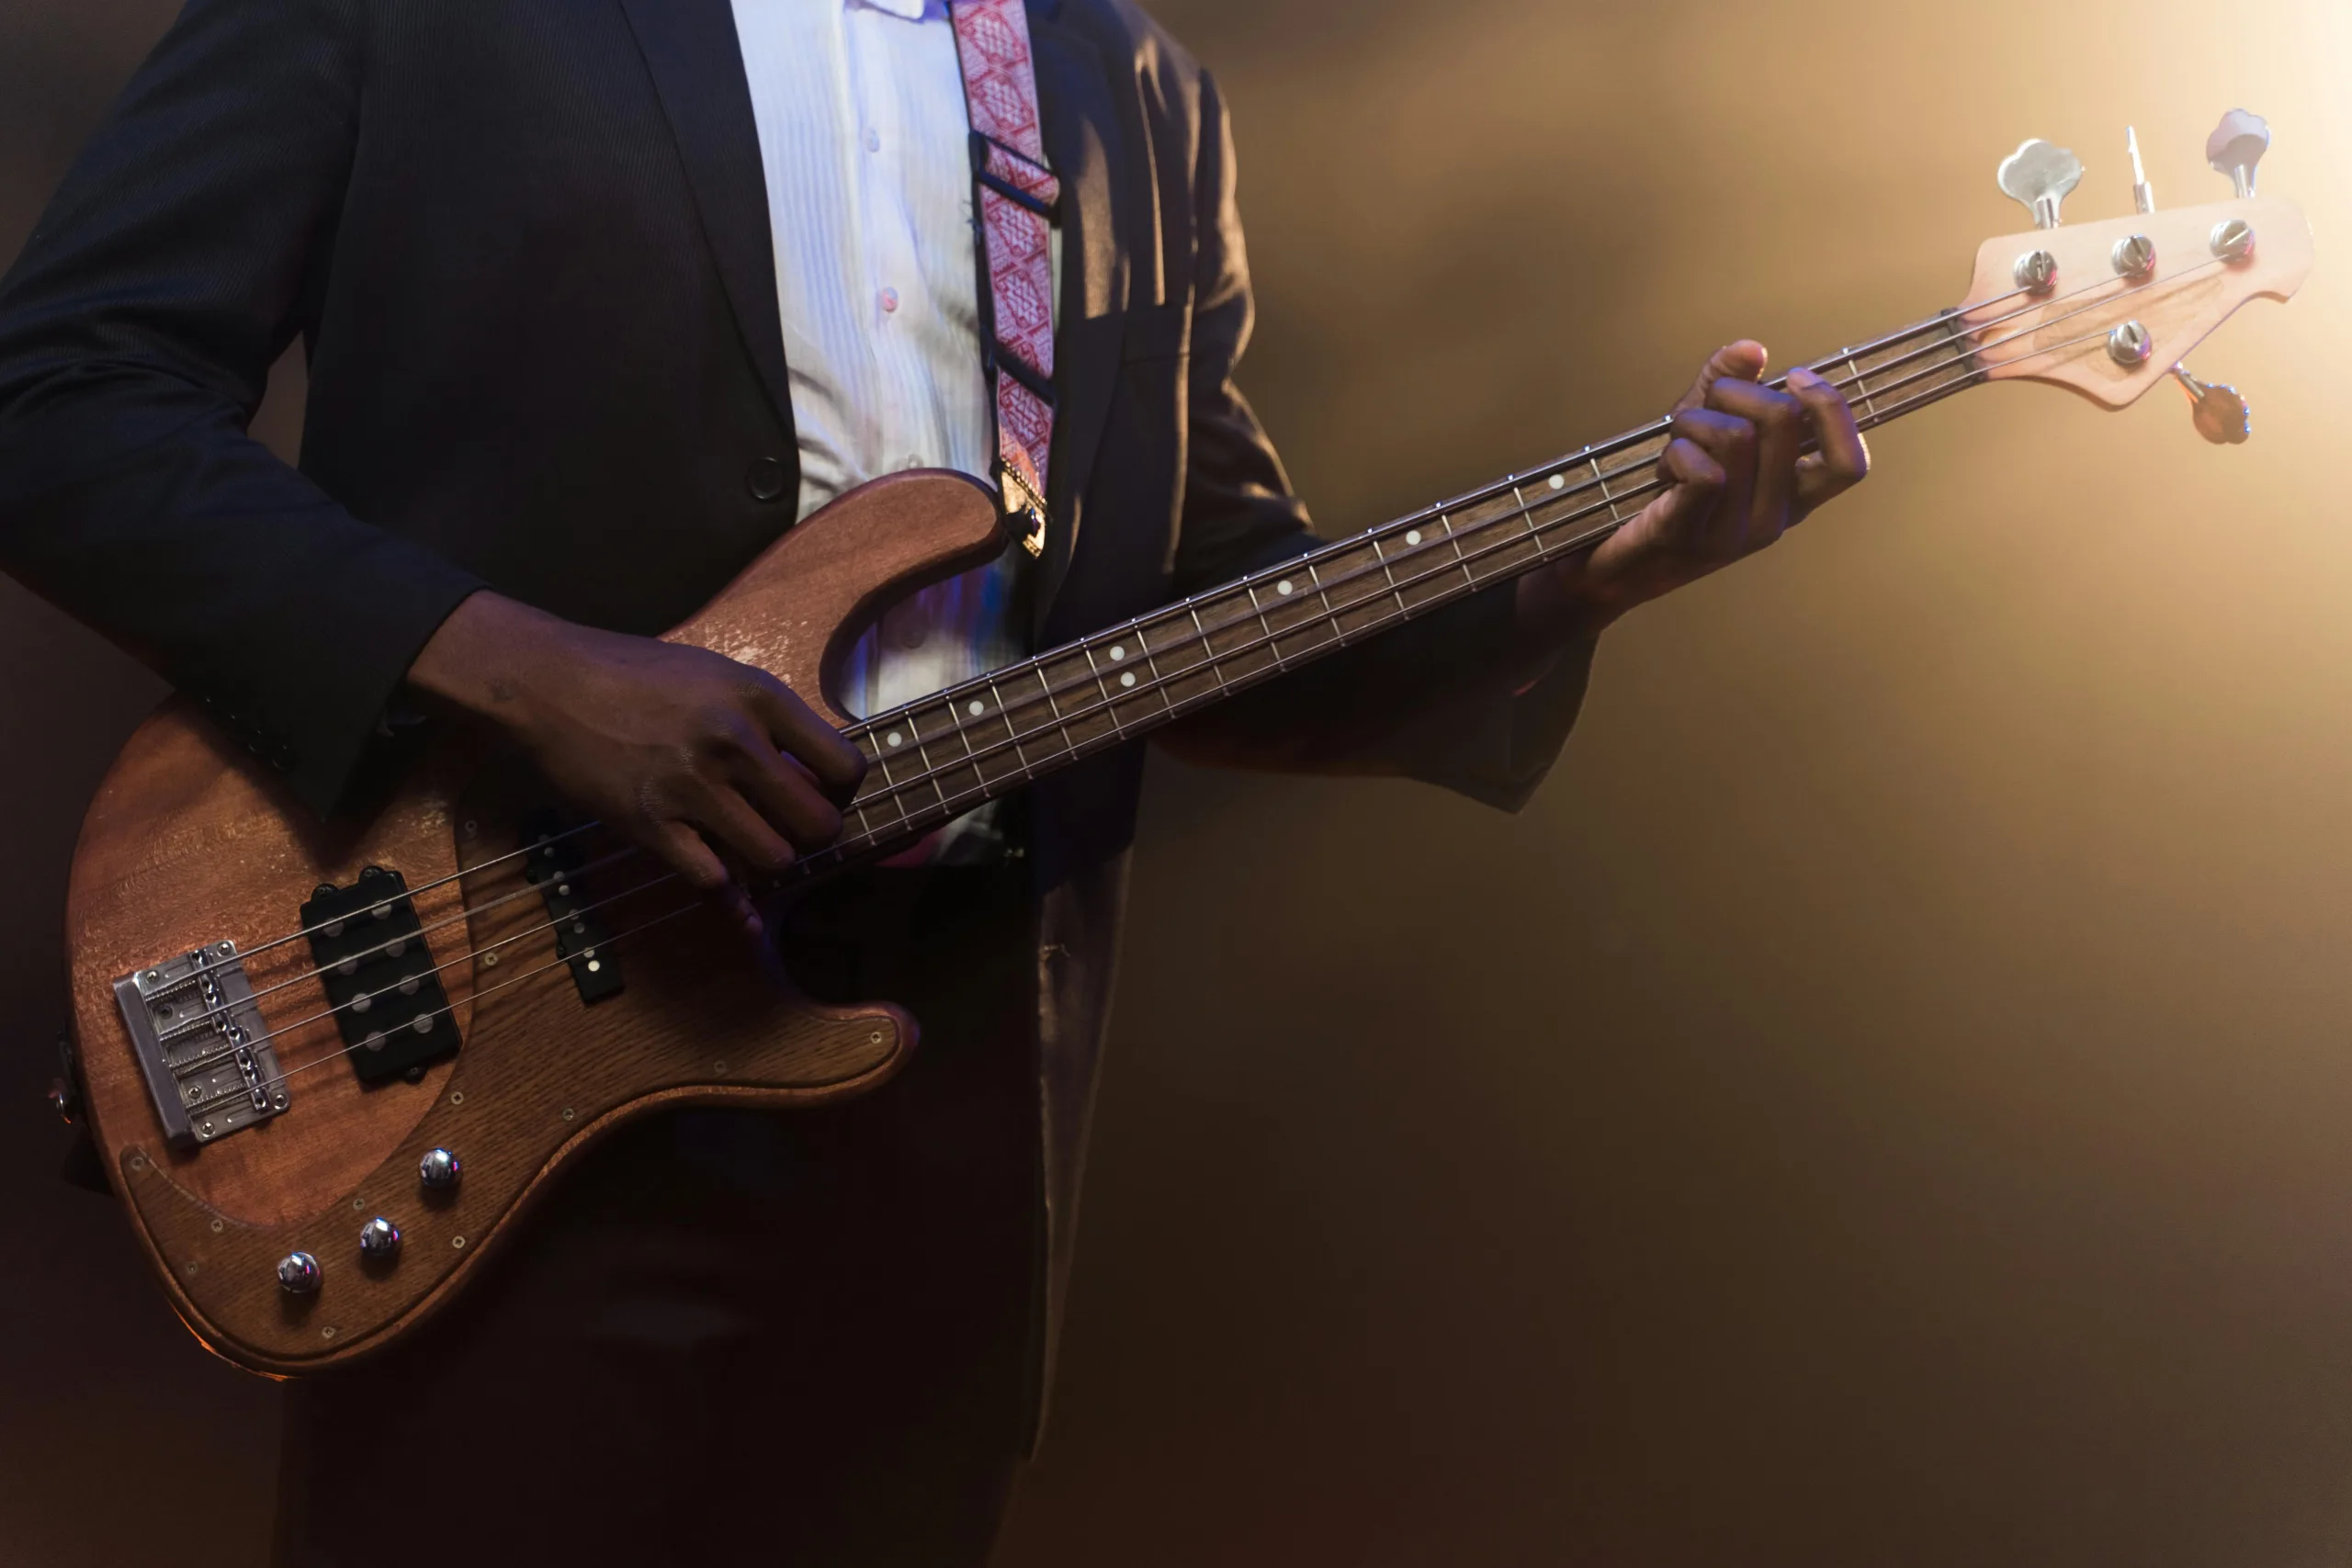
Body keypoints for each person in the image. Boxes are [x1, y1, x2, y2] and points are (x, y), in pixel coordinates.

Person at [0, 0, 1869, 1562]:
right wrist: (535, 671)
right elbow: (59, 394)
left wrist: (1594, 571)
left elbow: (1202, 614)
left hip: (935, 1154)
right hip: (501, 1066)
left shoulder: (1131, 92)